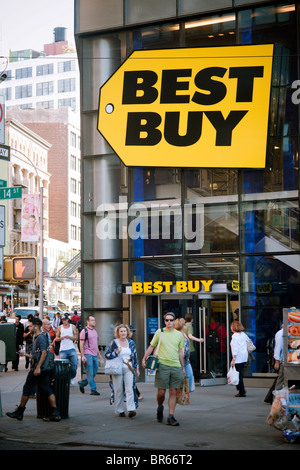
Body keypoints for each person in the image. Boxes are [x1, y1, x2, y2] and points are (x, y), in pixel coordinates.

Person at [6, 317, 61, 422]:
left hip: (37, 369)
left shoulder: (40, 338)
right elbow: (36, 355)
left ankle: (20, 412)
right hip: (39, 369)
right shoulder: (36, 338)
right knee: (47, 389)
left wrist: (38, 367)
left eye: (30, 326)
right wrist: (25, 354)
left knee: (27, 389)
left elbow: (44, 353)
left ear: (36, 326)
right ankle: (55, 413)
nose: (29, 327)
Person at [142, 312, 185, 426]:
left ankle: (171, 416)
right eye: (167, 320)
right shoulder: (159, 332)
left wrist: (183, 366)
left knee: (173, 391)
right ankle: (160, 407)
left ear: (174, 321)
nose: (169, 322)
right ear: (164, 321)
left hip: (176, 365)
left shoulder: (179, 335)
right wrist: (144, 358)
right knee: (161, 393)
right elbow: (152, 346)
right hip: (162, 365)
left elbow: (180, 351)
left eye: (171, 320)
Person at [105, 324, 140, 417]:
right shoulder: (114, 343)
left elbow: (135, 356)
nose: (123, 333)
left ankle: (131, 409)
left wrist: (137, 368)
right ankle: (120, 410)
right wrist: (116, 353)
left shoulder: (131, 343)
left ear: (127, 332)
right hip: (117, 369)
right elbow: (107, 355)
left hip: (129, 368)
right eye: (121, 331)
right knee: (118, 389)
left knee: (130, 389)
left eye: (124, 331)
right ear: (118, 333)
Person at [175, 317, 204, 392]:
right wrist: (199, 340)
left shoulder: (184, 334)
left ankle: (186, 392)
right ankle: (181, 393)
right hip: (179, 359)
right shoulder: (177, 335)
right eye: (184, 324)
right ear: (182, 326)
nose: (185, 326)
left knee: (190, 376)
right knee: (181, 377)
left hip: (186, 359)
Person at [78, 315, 102, 395]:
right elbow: (81, 344)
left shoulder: (94, 331)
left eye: (94, 320)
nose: (94, 322)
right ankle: (93, 389)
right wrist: (83, 355)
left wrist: (99, 354)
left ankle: (82, 383)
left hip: (94, 355)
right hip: (88, 354)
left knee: (94, 372)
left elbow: (96, 344)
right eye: (92, 320)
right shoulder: (84, 331)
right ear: (87, 321)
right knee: (90, 373)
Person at [230, 320, 251, 397]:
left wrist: (233, 359)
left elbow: (235, 349)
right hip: (244, 356)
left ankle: (241, 391)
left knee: (238, 374)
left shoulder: (234, 336)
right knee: (240, 373)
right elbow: (249, 341)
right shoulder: (243, 334)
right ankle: (240, 389)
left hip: (238, 357)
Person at [55, 314, 78, 384]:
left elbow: (76, 337)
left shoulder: (72, 326)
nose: (64, 321)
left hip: (71, 348)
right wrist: (61, 338)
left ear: (68, 320)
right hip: (63, 349)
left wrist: (70, 337)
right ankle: (64, 379)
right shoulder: (59, 327)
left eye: (65, 320)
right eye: (63, 320)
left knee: (75, 364)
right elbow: (56, 338)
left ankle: (71, 377)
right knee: (62, 366)